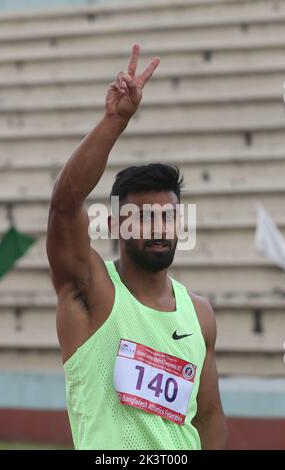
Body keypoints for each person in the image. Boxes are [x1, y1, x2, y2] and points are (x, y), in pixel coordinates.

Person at [46, 44, 228, 450]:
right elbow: (64, 204)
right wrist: (115, 120)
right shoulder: (91, 292)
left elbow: (209, 416)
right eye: (143, 217)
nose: (159, 227)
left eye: (167, 216)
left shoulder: (199, 314)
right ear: (115, 225)